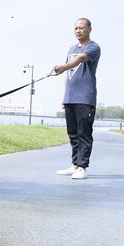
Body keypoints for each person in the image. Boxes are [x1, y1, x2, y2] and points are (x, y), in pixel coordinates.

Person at [54, 17, 101, 179]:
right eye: (75, 28)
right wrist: (64, 96)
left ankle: (82, 167)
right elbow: (68, 74)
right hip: (70, 98)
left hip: (85, 98)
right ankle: (75, 165)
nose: (78, 31)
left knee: (84, 133)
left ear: (89, 29)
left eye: (81, 28)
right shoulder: (71, 48)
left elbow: (80, 59)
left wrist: (64, 66)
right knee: (72, 133)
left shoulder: (93, 47)